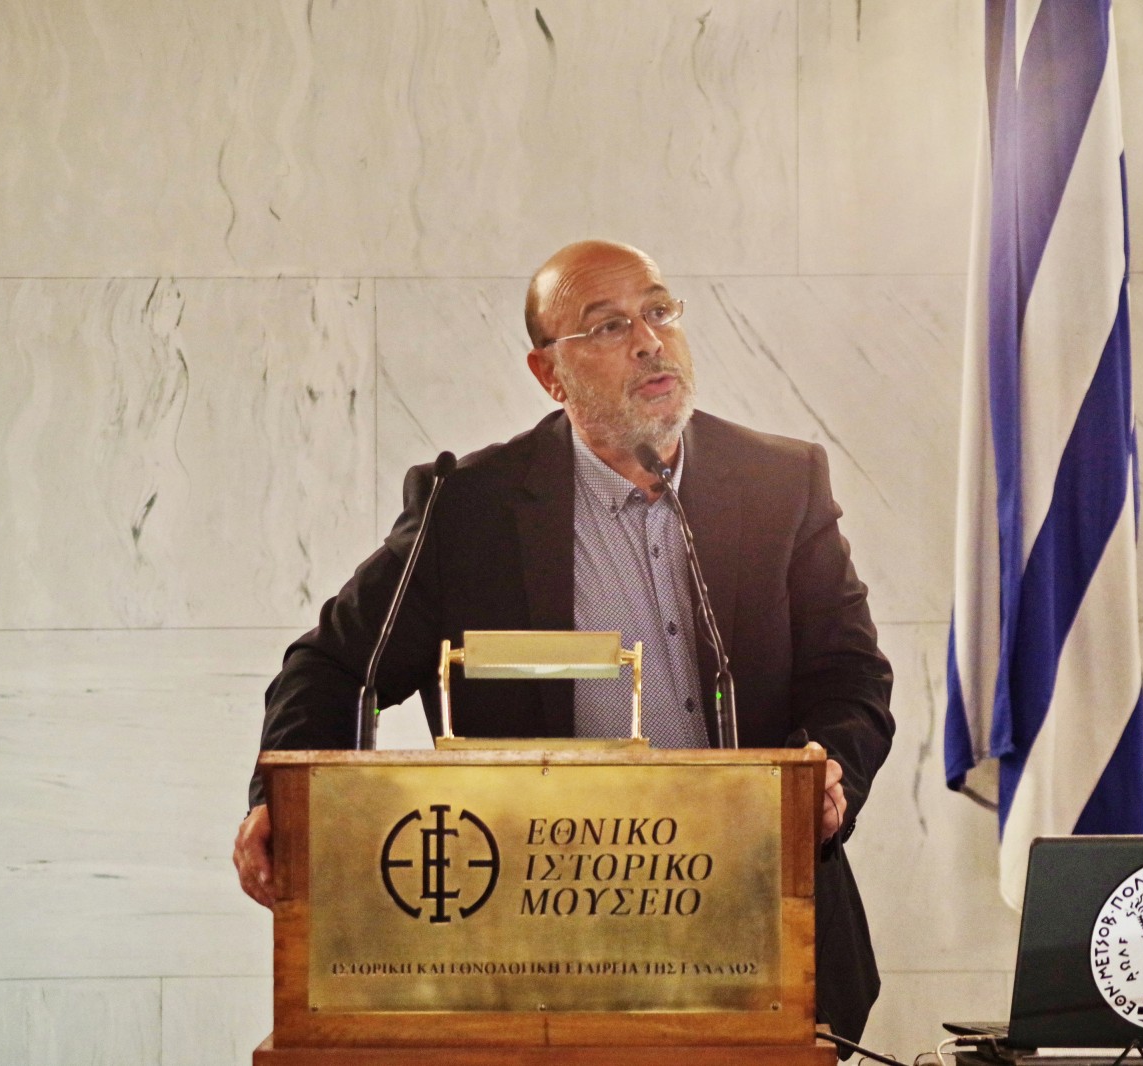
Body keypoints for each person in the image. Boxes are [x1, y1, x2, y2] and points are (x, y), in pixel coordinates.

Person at [233, 239, 895, 1046]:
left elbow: (849, 674)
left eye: (658, 311)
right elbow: (335, 668)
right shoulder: (468, 509)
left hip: (763, 930)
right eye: (609, 325)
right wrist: (281, 802)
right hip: (542, 942)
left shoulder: (780, 483)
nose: (649, 341)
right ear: (549, 373)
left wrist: (827, 769)